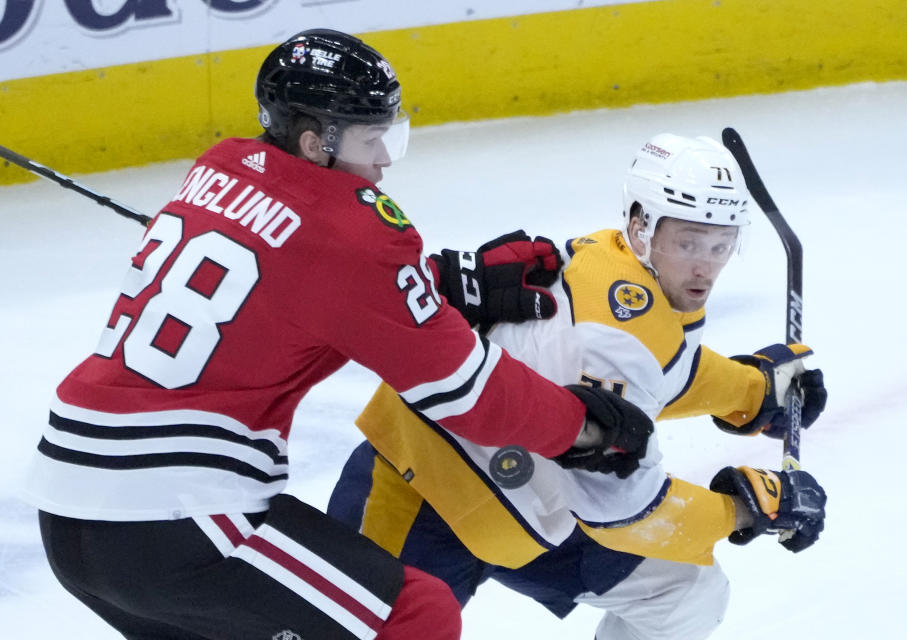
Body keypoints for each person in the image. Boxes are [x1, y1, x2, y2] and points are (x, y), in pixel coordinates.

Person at [19, 29, 656, 640]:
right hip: (176, 515)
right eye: (370, 137)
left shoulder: (218, 168)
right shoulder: (353, 231)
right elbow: (468, 396)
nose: (383, 157)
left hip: (70, 512)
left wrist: (438, 283)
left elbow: (299, 293)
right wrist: (587, 427)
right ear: (314, 140)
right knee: (413, 615)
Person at [327, 133, 829, 640]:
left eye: (720, 245)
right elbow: (625, 511)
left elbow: (661, 373)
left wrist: (751, 393)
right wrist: (745, 509)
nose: (705, 266)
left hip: (537, 508)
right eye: (689, 242)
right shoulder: (613, 334)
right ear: (641, 225)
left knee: (685, 593)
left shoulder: (633, 272)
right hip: (425, 492)